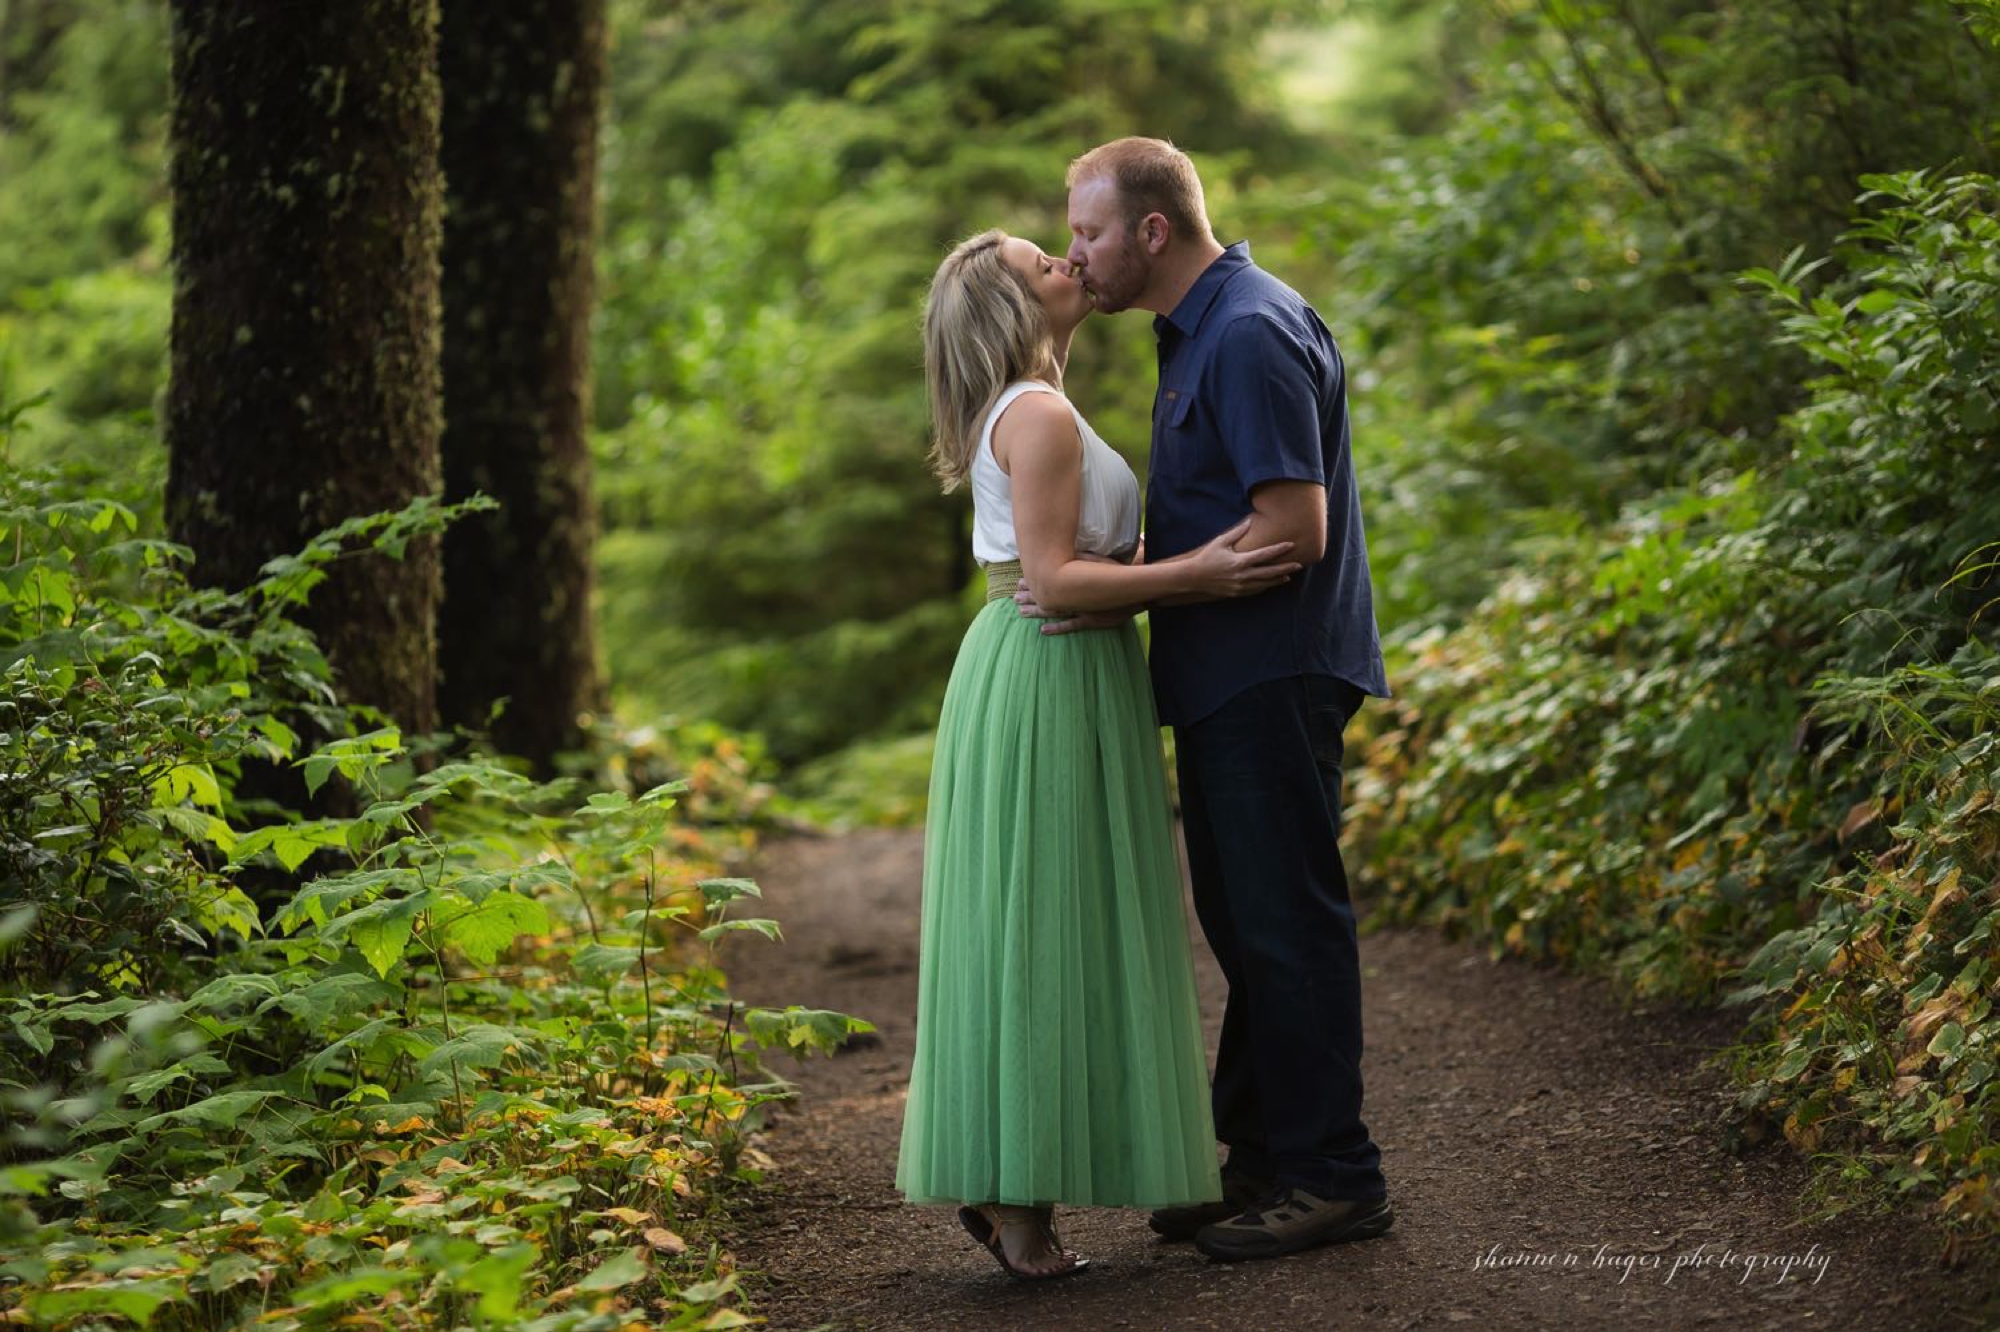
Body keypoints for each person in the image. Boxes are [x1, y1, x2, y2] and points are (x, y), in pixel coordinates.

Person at [893, 228, 1302, 1280]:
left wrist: (1156, 569)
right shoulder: (1034, 414)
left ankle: (1020, 1189)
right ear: (1010, 308)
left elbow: (1084, 563)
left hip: (1070, 667)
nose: (1068, 264)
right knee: (1044, 916)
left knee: (1054, 914)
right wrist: (1201, 575)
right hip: (1048, 669)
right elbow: (1055, 581)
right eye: (1043, 264)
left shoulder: (1040, 405)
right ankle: (1014, 1202)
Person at [1040, 136, 1396, 1263]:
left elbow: (1293, 529)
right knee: (1247, 928)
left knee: (1285, 925)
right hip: (1226, 672)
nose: (1074, 254)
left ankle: (1336, 1176)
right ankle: (1260, 1160)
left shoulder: (1245, 332)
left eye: (1089, 232)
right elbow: (1218, 515)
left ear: (1152, 230)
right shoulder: (1199, 330)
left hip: (1270, 668)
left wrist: (1170, 582)